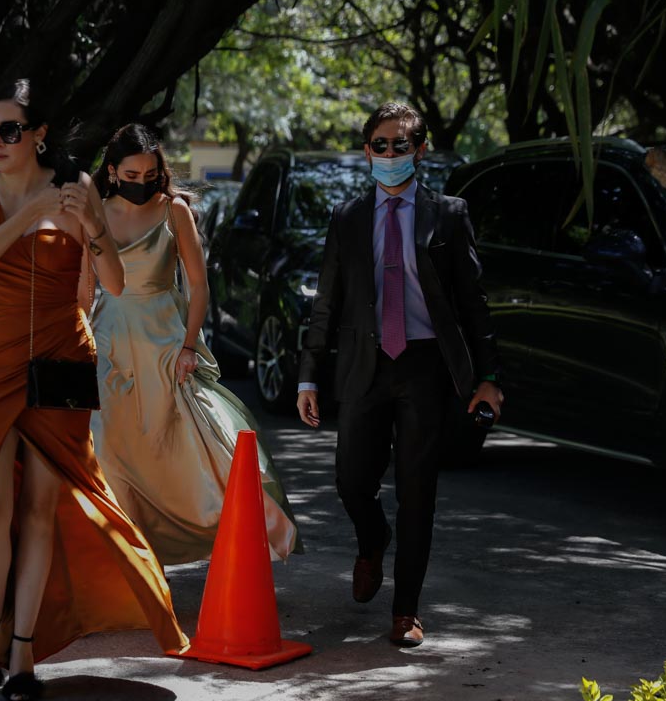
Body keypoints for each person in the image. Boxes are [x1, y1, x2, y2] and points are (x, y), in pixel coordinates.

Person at [0, 82, 189, 701]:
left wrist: (93, 227)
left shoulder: (78, 186)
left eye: (10, 130)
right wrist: (29, 213)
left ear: (38, 135)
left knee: (39, 509)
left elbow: (112, 280)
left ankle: (23, 655)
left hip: (62, 357)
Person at [296, 102, 503, 648]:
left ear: (419, 150)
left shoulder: (449, 214)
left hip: (425, 366)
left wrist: (488, 376)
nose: (391, 153)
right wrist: (308, 376)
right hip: (365, 365)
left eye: (401, 145)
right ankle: (373, 539)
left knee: (417, 491)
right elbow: (327, 302)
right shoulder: (347, 217)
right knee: (350, 480)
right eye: (381, 145)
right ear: (368, 151)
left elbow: (473, 301)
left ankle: (406, 610)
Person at [89, 123, 299, 565]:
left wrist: (188, 346)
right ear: (112, 171)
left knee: (188, 443)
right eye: (131, 176)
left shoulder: (174, 211)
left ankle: (243, 526)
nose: (141, 184)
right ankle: (132, 559)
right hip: (109, 340)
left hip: (165, 340)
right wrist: (79, 343)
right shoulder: (94, 213)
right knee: (111, 448)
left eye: (150, 176)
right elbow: (82, 288)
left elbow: (199, 287)